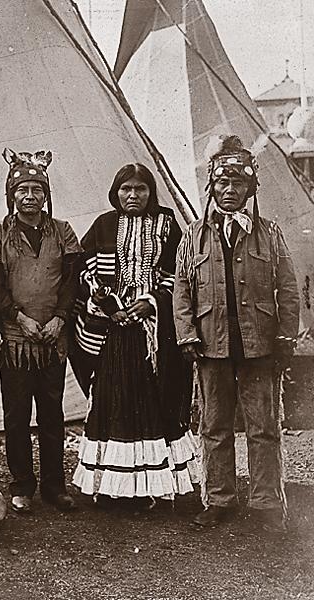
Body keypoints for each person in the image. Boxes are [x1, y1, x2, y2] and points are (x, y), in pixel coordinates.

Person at [174, 136, 299, 532]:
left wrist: (285, 337)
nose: (229, 192)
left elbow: (289, 289)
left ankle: (266, 503)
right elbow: (181, 291)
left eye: (238, 185)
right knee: (214, 425)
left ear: (250, 190)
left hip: (259, 344)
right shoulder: (193, 236)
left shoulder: (269, 233)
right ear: (211, 187)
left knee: (263, 426)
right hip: (211, 345)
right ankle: (219, 499)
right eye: (222, 184)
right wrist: (187, 335)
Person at [70, 163, 197, 507]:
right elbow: (83, 268)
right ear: (116, 192)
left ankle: (151, 485)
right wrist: (106, 301)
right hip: (112, 328)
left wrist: (150, 301)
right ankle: (114, 484)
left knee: (152, 397)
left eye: (140, 189)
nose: (132, 195)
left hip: (151, 329)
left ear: (150, 192)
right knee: (113, 397)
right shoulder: (104, 225)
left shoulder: (167, 224)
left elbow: (178, 273)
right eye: (126, 189)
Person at [0, 148, 82, 513]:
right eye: (22, 190)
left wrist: (60, 317)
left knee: (52, 413)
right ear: (12, 195)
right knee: (16, 414)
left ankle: (55, 486)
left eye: (37, 191)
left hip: (54, 337)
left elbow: (72, 280)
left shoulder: (63, 232)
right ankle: (22, 483)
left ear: (46, 195)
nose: (30, 197)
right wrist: (19, 318)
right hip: (16, 339)